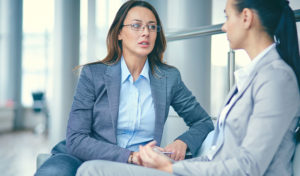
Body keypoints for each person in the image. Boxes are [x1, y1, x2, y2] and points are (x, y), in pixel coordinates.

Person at [76, 0, 300, 175]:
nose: (223, 26)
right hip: (177, 165)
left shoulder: (276, 78)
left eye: (226, 16)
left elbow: (247, 166)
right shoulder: (253, 76)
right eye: (136, 26)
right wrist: (169, 165)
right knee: (89, 169)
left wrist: (172, 165)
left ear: (247, 17)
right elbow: (219, 157)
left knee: (91, 172)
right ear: (119, 34)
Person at [35, 1, 214, 175]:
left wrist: (183, 142)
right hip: (82, 156)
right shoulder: (93, 74)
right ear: (119, 33)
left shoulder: (168, 78)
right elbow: (76, 139)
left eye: (152, 27)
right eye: (137, 26)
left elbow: (203, 121)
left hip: (134, 167)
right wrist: (130, 156)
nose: (146, 32)